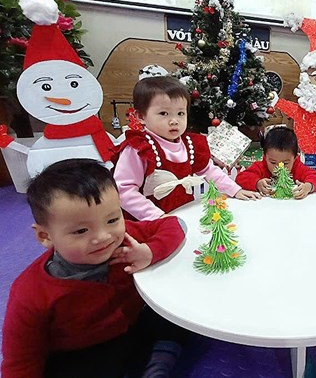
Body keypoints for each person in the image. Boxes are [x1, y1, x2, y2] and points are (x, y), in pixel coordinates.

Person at [2, 159, 187, 378]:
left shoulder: (127, 239)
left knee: (176, 312)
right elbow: (20, 362)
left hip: (134, 324)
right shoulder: (31, 293)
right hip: (85, 350)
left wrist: (149, 251)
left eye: (113, 219)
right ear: (45, 236)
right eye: (81, 231)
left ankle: (158, 363)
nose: (103, 237)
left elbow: (174, 224)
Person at [113, 76, 259, 220]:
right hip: (149, 220)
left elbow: (209, 170)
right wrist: (156, 216)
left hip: (184, 211)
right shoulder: (139, 148)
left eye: (180, 113)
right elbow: (124, 190)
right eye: (163, 113)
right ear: (140, 116)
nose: (174, 121)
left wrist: (235, 190)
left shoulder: (190, 144)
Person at [235, 126, 316, 199]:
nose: (279, 167)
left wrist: (309, 186)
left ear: (295, 157)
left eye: (285, 163)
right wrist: (257, 183)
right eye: (273, 162)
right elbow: (240, 178)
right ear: (265, 156)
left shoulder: (297, 167)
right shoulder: (261, 166)